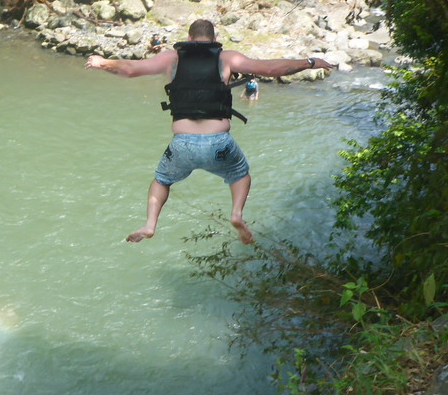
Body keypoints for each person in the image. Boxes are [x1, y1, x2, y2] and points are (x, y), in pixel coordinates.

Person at [86, 19, 334, 244]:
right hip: (219, 144)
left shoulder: (171, 58)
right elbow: (270, 69)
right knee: (240, 175)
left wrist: (102, 63)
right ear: (215, 40)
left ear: (189, 38)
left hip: (181, 145)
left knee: (161, 180)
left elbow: (130, 69)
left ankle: (150, 224)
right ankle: (236, 214)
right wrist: (308, 62)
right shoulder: (227, 58)